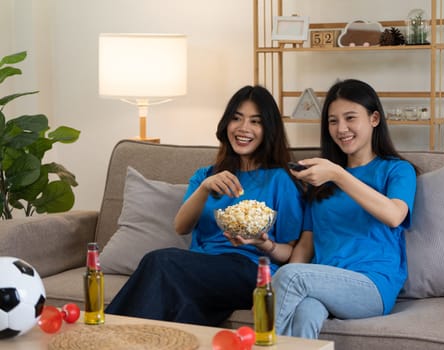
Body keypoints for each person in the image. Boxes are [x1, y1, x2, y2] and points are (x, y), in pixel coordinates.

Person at [105, 85, 304, 326]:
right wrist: (204, 188)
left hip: (250, 269)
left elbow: (289, 252)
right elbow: (181, 227)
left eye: (255, 121)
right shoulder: (207, 176)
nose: (243, 128)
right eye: (236, 119)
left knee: (160, 261)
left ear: (268, 129)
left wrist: (264, 243)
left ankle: (103, 335)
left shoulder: (280, 180)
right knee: (183, 307)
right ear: (226, 125)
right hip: (201, 267)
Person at [273, 79, 418, 338]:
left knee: (290, 278)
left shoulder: (396, 170)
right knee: (304, 313)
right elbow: (306, 244)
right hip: (324, 281)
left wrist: (339, 175)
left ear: (374, 119)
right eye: (332, 121)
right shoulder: (320, 179)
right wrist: (285, 276)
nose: (341, 129)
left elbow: (394, 215)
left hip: (372, 285)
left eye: (350, 118)